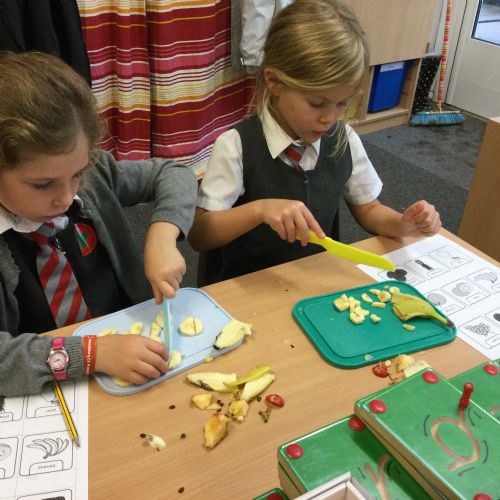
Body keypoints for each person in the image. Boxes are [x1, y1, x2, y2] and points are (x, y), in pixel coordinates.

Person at [188, 0, 441, 284]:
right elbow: (200, 233)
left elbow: (370, 210)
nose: (329, 118)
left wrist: (400, 224)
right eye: (317, 103)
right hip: (247, 288)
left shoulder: (343, 139)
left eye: (342, 104)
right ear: (274, 81)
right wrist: (259, 210)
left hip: (316, 283)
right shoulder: (237, 146)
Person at [0, 51, 198, 396]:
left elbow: (174, 174)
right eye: (42, 185)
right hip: (47, 384)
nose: (66, 198)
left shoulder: (94, 176)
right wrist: (92, 353)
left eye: (77, 174)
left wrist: (162, 235)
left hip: (130, 347)